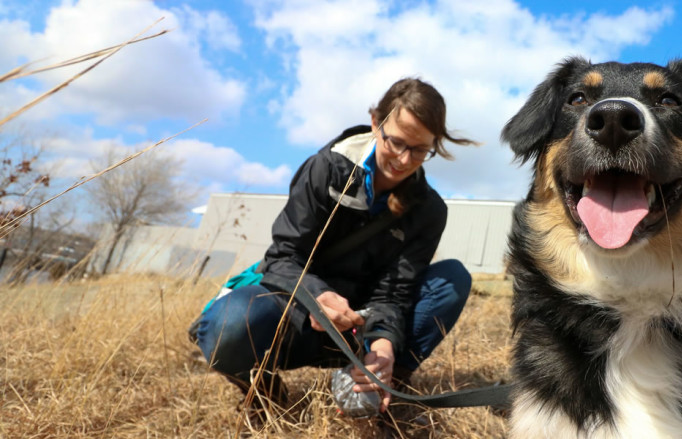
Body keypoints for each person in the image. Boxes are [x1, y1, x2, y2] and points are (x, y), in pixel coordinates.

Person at [192, 78, 477, 422]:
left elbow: (395, 293)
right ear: (376, 123)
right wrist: (317, 295)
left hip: (363, 323)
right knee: (230, 325)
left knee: (451, 279)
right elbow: (283, 257)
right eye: (396, 142)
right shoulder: (326, 170)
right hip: (298, 313)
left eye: (419, 150)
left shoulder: (429, 210)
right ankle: (265, 393)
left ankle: (384, 387)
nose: (403, 160)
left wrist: (384, 345)